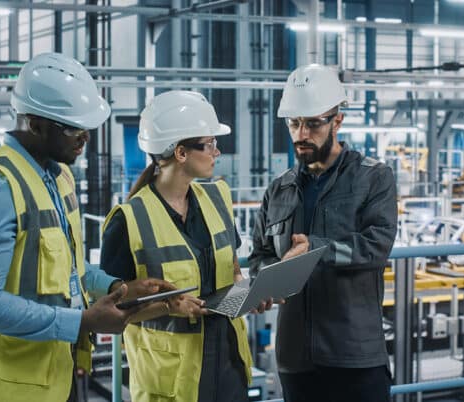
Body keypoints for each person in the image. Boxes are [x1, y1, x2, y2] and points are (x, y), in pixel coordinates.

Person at [0, 52, 177, 402]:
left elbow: (68, 270)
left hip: (58, 372)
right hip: (12, 387)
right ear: (34, 124)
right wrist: (83, 322)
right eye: (73, 127)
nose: (85, 138)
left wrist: (121, 288)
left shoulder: (60, 176)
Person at [100, 90, 264, 402]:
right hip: (172, 383)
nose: (217, 152)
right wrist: (167, 307)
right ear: (181, 153)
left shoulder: (217, 198)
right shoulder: (128, 221)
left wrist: (249, 295)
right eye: (209, 143)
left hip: (228, 368)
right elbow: (108, 313)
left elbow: (233, 270)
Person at [249, 64, 398, 402]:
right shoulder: (279, 189)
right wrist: (266, 281)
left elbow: (376, 247)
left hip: (354, 355)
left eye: (313, 123)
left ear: (337, 121)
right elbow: (260, 254)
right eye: (294, 123)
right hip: (295, 357)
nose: (302, 134)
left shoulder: (373, 178)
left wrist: (315, 250)